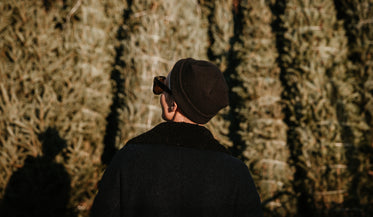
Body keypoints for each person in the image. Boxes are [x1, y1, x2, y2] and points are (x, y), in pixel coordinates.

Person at [90, 58, 263, 217]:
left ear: (173, 104)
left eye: (162, 87)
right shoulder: (236, 174)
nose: (159, 93)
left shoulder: (129, 159)